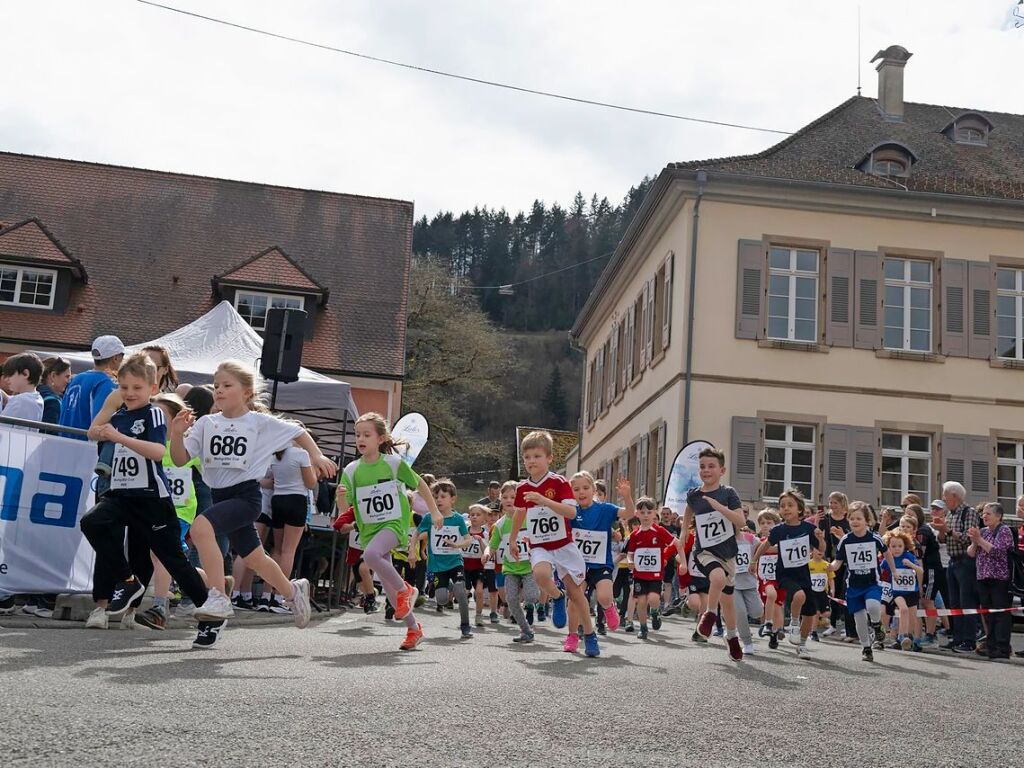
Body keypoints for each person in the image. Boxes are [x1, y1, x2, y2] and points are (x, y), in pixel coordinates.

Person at [169, 360, 335, 646]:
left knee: (200, 528)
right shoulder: (207, 423)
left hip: (246, 496)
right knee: (256, 558)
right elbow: (180, 459)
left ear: (247, 393)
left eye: (226, 385)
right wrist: (175, 434)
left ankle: (219, 598)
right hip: (220, 495)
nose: (219, 390)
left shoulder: (258, 422)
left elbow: (298, 431)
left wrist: (316, 456)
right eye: (216, 385)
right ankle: (293, 592)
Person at [78, 354, 212, 643]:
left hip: (152, 499)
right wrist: (111, 407)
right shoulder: (120, 413)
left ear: (152, 389)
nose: (129, 393)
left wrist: (119, 437)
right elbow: (92, 432)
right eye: (124, 387)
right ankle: (128, 581)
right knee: (91, 522)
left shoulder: (151, 413)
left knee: (173, 560)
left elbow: (157, 452)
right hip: (122, 494)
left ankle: (211, 609)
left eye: (137, 388)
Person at [339, 412, 441, 651]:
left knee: (372, 557)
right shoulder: (352, 470)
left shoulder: (394, 464)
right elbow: (346, 511)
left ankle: (409, 589)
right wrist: (342, 500)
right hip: (369, 530)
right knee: (389, 588)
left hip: (394, 525)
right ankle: (414, 629)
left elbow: (421, 484)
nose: (360, 439)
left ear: (381, 438)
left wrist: (434, 512)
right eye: (357, 435)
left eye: (367, 434)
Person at [507, 430, 599, 658]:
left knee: (577, 595)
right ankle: (557, 598)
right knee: (539, 574)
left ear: (549, 458)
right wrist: (512, 538)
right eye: (527, 457)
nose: (531, 461)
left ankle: (589, 634)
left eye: (536, 456)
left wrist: (544, 500)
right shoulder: (522, 488)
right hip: (540, 545)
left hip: (564, 545)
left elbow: (570, 512)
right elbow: (519, 513)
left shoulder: (559, 483)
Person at [680, 446, 747, 661]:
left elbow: (741, 521)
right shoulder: (694, 496)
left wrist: (719, 507)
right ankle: (709, 615)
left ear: (722, 470)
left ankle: (732, 637)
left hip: (727, 553)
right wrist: (681, 539)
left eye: (711, 466)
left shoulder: (728, 493)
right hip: (705, 551)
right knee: (716, 578)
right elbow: (687, 519)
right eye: (702, 467)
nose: (706, 470)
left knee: (728, 601)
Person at [751, 488, 825, 660]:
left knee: (810, 613)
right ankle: (793, 622)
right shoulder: (779, 530)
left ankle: (803, 644)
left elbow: (821, 550)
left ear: (799, 509)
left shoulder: (809, 528)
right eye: (782, 506)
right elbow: (764, 545)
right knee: (798, 596)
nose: (786, 508)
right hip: (785, 574)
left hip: (804, 574)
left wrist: (820, 539)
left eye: (790, 505)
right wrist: (754, 561)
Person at [830, 505, 896, 662]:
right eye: (852, 518)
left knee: (873, 606)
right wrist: (829, 567)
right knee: (859, 619)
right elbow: (837, 562)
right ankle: (866, 648)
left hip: (872, 582)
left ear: (867, 521)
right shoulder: (846, 540)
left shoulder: (874, 538)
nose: (854, 521)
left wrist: (894, 571)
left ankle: (876, 624)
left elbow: (887, 553)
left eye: (858, 518)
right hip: (853, 586)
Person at [570, 471, 633, 636]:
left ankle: (609, 607)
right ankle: (573, 635)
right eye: (576, 489)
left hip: (601, 563)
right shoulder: (571, 512)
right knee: (574, 600)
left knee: (604, 596)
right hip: (579, 565)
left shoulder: (605, 509)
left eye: (585, 488)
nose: (581, 492)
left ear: (593, 490)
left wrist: (627, 496)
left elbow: (629, 514)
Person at [410, 479, 474, 640]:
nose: (438, 500)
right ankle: (449, 585)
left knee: (460, 589)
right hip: (438, 566)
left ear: (452, 499)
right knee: (442, 599)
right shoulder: (429, 518)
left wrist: (457, 544)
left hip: (455, 562)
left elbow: (468, 539)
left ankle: (465, 625)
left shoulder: (458, 519)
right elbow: (416, 534)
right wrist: (412, 551)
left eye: (442, 496)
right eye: (435, 496)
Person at [261, 441, 319, 611]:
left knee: (276, 550)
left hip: (278, 499)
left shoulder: (276, 454)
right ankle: (280, 596)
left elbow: (268, 480)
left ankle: (265, 595)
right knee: (288, 551)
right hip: (296, 500)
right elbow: (311, 483)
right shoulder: (302, 454)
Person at [487, 481, 538, 643]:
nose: (509, 500)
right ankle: (526, 630)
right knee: (511, 599)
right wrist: (487, 553)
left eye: (513, 497)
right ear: (500, 500)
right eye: (505, 497)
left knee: (531, 596)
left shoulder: (529, 517)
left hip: (529, 566)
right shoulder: (500, 525)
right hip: (510, 568)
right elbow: (492, 544)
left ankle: (537, 605)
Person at [933, 481, 980, 653]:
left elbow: (969, 539)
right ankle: (958, 638)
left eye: (945, 495)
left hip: (966, 561)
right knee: (954, 602)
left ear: (955, 496)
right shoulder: (950, 514)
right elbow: (943, 541)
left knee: (966, 601)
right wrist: (942, 531)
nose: (944, 499)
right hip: (952, 561)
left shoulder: (969, 513)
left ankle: (969, 640)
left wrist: (948, 530)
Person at [968, 502, 1014, 660]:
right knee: (987, 613)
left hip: (999, 578)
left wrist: (979, 539)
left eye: (988, 513)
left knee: (1000, 613)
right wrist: (975, 541)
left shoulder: (1004, 530)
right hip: (983, 577)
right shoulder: (982, 532)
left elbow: (997, 552)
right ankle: (991, 644)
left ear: (998, 516)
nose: (984, 516)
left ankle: (1002, 647)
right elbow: (971, 553)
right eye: (983, 513)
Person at [626, 497, 677, 641]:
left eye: (649, 512)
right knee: (641, 601)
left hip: (655, 574)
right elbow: (630, 554)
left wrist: (667, 557)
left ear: (654, 513)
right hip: (639, 574)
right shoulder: (634, 535)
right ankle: (643, 628)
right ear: (637, 514)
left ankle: (655, 612)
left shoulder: (659, 531)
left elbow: (675, 543)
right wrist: (630, 562)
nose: (646, 515)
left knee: (653, 598)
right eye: (642, 512)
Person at [59, 335, 124, 436]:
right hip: (86, 446)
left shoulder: (76, 378)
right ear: (115, 358)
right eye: (122, 356)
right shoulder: (106, 382)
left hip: (63, 442)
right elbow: (100, 423)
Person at [880, 528, 924, 651]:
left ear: (905, 545)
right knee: (903, 610)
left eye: (900, 546)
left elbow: (920, 571)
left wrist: (911, 565)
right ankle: (902, 635)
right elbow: (879, 571)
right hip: (897, 591)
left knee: (912, 616)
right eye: (893, 546)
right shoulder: (887, 559)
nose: (897, 549)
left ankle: (907, 638)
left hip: (912, 591)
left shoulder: (909, 556)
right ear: (888, 547)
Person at [819, 491, 851, 638]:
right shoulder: (825, 519)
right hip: (831, 558)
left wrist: (842, 533)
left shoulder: (848, 520)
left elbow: (850, 537)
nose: (832, 506)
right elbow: (819, 534)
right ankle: (832, 624)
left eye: (835, 503)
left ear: (842, 504)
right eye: (830, 502)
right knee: (832, 592)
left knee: (844, 593)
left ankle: (846, 625)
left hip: (846, 560)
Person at [753, 508, 784, 648]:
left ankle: (775, 633)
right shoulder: (759, 541)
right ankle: (768, 623)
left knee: (778, 607)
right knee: (771, 595)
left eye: (769, 522)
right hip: (766, 578)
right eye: (762, 523)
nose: (765, 525)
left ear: (777, 524)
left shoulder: (782, 540)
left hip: (781, 578)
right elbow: (764, 548)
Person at [732, 520, 762, 654]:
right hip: (732, 582)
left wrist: (754, 561)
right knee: (740, 612)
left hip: (749, 581)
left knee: (757, 612)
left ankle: (734, 622)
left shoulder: (750, 538)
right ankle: (747, 642)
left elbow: (764, 546)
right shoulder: (723, 540)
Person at [462, 504, 490, 627]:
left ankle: (479, 615)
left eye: (478, 515)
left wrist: (480, 540)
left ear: (484, 518)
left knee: (479, 591)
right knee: (464, 591)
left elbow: (486, 550)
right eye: (472, 514)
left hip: (478, 565)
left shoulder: (486, 534)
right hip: (465, 564)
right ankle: (464, 615)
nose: (474, 517)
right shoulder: (465, 530)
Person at [1, 353, 44, 428]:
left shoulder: (20, 401)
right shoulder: (37, 398)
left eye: (10, 374)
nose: (6, 379)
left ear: (25, 374)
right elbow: (10, 400)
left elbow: (2, 426)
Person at [38, 356, 72, 425]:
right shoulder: (53, 403)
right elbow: (51, 434)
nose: (69, 381)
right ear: (53, 376)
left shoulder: (33, 392)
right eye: (67, 376)